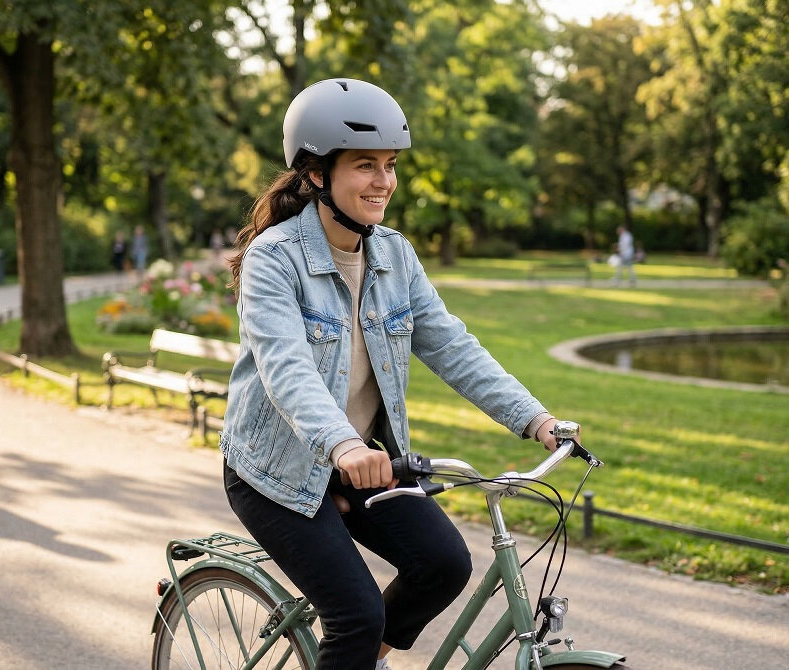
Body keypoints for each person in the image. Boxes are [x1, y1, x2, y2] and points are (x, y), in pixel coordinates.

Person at [221, 78, 574, 670]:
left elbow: (453, 347)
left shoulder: (394, 255)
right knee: (355, 613)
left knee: (444, 565)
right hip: (276, 471)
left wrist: (535, 417)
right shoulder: (274, 259)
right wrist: (339, 444)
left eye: (389, 165)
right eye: (365, 165)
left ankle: (362, 661)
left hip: (360, 461)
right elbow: (286, 369)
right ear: (315, 173)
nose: (384, 181)